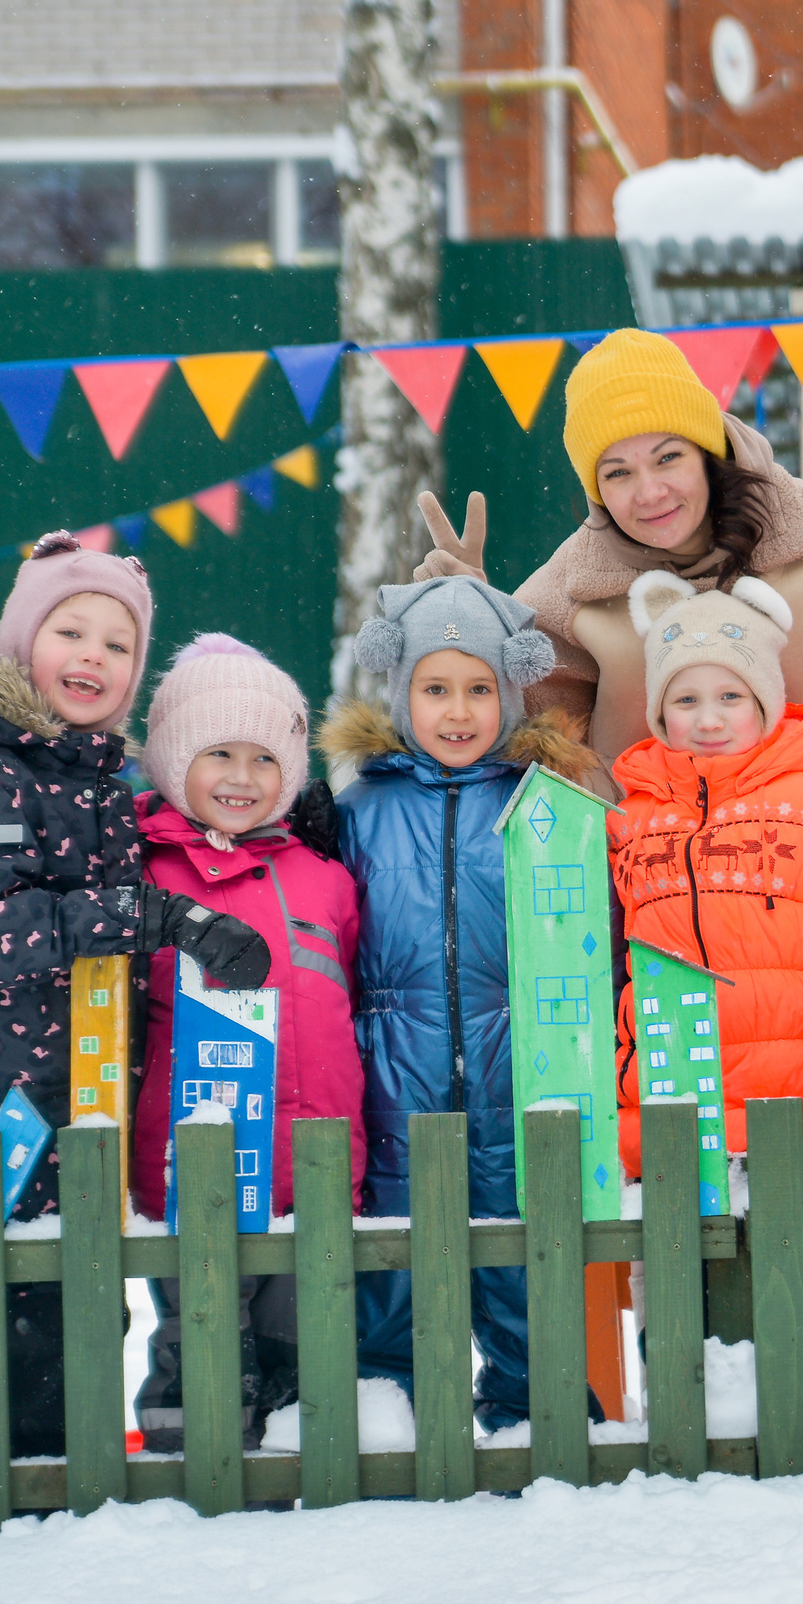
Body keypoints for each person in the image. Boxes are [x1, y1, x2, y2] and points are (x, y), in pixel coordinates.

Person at [0, 532, 269, 1465]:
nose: (93, 656)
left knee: (68, 1300)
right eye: (70, 630)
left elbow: (187, 829)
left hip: (49, 1090)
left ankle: (49, 1490)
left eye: (118, 643)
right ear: (21, 643)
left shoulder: (83, 780)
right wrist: (140, 915)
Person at [406, 328, 803, 798]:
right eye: (618, 473)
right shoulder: (572, 591)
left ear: (707, 449)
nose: (650, 491)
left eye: (668, 457)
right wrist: (470, 627)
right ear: (595, 490)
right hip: (654, 910)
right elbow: (503, 746)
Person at [608, 569, 803, 1421]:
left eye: (730, 695)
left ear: (768, 701)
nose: (707, 719)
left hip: (798, 1103)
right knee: (678, 1299)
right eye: (686, 699)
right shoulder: (633, 819)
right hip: (675, 1107)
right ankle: (685, 1441)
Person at [324, 572, 601, 1429]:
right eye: (435, 688)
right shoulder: (358, 808)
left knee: (519, 1255)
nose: (458, 710)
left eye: (479, 688)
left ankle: (534, 1408)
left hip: (517, 1067)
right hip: (393, 1075)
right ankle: (392, 1411)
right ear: (401, 691)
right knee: (394, 1258)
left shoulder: (540, 802)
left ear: (510, 691)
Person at [127, 635, 363, 1453]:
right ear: (170, 759)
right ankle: (182, 1458)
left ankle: (293, 1463)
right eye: (216, 753)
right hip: (196, 1161)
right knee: (200, 1327)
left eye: (264, 758)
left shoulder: (323, 875)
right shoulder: (147, 871)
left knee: (298, 1334)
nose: (240, 777)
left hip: (310, 1157)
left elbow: (350, 999)